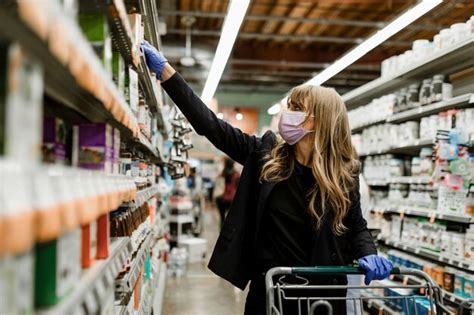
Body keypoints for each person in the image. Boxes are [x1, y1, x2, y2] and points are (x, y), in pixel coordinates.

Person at [141, 42, 393, 314]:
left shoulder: (344, 172)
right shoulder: (266, 154)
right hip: (271, 291)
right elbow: (211, 126)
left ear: (320, 122)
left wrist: (369, 252)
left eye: (297, 108)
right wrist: (167, 73)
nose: (287, 113)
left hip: (323, 296)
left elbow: (356, 225)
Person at [215, 157, 241, 227]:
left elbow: (217, 184)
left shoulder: (222, 174)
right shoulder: (236, 174)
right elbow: (238, 187)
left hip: (222, 198)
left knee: (222, 217)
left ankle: (222, 229)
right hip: (233, 199)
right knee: (233, 219)